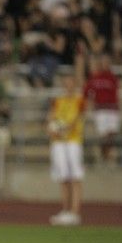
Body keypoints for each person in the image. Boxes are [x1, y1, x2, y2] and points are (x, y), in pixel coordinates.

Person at [48, 75, 85, 226]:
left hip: (73, 141)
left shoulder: (79, 100)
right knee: (63, 177)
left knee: (75, 177)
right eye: (66, 83)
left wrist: (62, 129)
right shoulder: (58, 101)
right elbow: (51, 118)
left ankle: (75, 212)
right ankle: (65, 210)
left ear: (75, 85)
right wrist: (51, 128)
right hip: (58, 142)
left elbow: (77, 119)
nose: (69, 86)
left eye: (71, 83)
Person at [83, 54, 120, 165]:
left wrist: (118, 108)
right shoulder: (94, 77)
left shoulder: (113, 77)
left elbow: (116, 94)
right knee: (103, 135)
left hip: (112, 109)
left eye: (107, 62)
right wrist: (90, 103)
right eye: (103, 62)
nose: (105, 64)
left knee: (111, 134)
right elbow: (86, 92)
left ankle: (106, 155)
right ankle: (105, 156)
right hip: (100, 109)